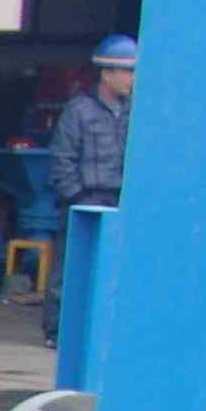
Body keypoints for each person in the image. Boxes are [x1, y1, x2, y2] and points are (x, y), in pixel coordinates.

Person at [42, 31, 136, 347]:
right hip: (85, 202)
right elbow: (62, 158)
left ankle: (107, 330)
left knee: (114, 269)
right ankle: (57, 331)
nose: (132, 78)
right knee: (70, 269)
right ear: (107, 73)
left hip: (118, 201)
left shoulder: (134, 112)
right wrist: (76, 198)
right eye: (127, 71)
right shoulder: (79, 111)